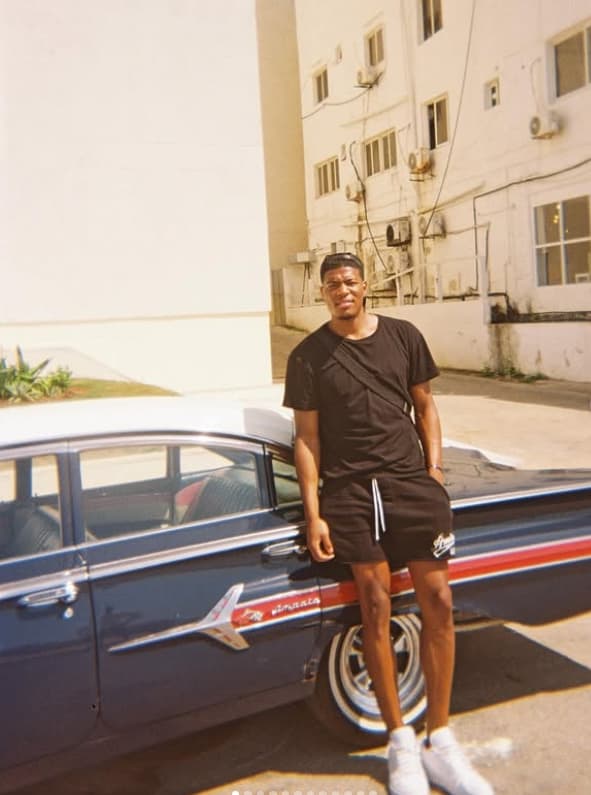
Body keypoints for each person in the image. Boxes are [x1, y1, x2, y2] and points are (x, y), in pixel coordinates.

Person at [283, 252, 494, 795]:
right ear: (323, 292)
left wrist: (434, 471)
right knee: (374, 608)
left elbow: (426, 407)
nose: (342, 291)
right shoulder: (308, 356)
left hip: (411, 486)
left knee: (438, 602)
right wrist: (314, 514)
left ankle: (440, 739)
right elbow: (306, 439)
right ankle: (400, 741)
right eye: (332, 285)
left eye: (349, 282)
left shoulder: (403, 336)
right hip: (351, 493)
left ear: (365, 285)